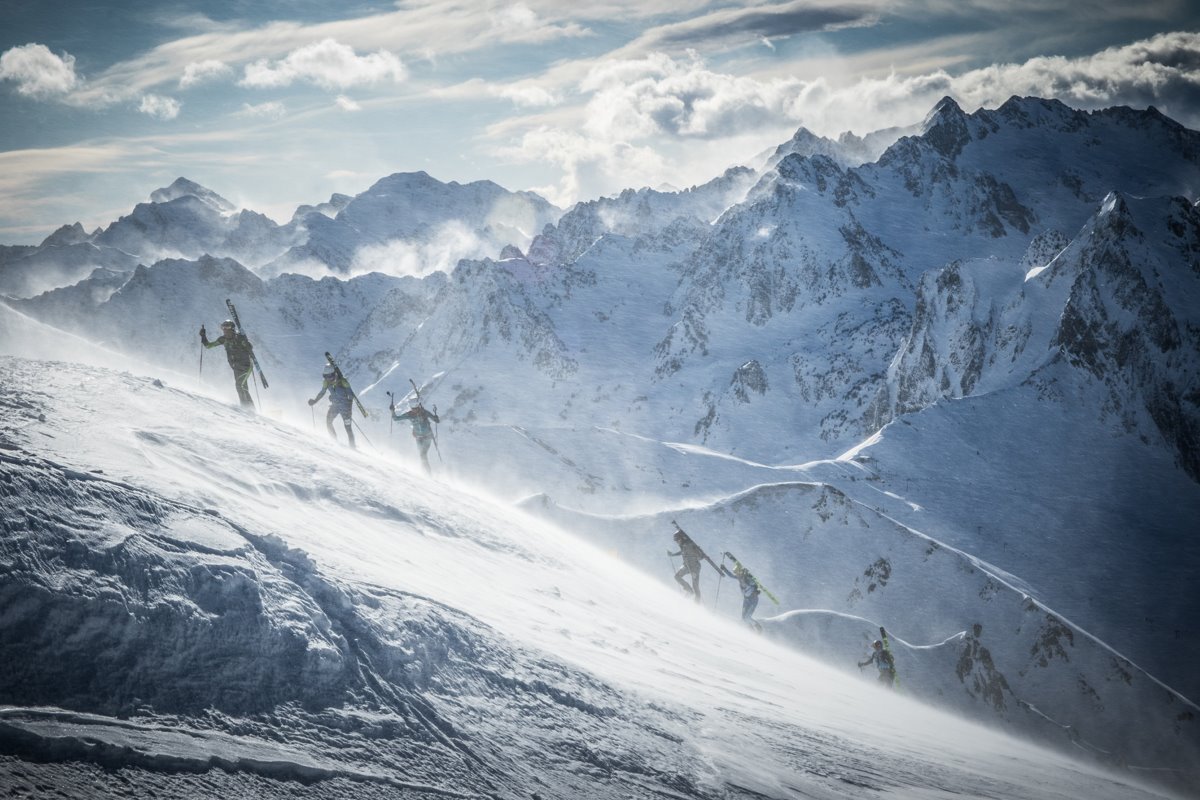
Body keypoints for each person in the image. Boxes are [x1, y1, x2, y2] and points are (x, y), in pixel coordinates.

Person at [200, 320, 255, 410]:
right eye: (223, 328)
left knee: (239, 385)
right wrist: (203, 336)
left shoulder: (239, 338)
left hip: (246, 366)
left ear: (232, 329)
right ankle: (252, 409)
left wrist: (246, 341)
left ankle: (245, 408)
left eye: (227, 328)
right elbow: (208, 346)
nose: (225, 330)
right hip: (236, 367)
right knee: (243, 387)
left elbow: (250, 347)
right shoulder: (223, 339)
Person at [308, 364, 355, 449]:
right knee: (328, 422)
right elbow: (322, 392)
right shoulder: (326, 382)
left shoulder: (343, 382)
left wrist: (348, 407)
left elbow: (351, 396)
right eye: (326, 376)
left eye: (330, 376)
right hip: (335, 406)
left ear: (334, 374)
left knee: (348, 427)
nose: (329, 379)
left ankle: (352, 447)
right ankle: (335, 442)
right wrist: (315, 401)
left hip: (345, 407)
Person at [391, 398, 439, 474]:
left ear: (418, 407)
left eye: (416, 408)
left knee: (423, 454)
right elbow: (396, 418)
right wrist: (392, 411)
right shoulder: (410, 414)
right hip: (418, 438)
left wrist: (436, 418)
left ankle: (428, 474)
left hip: (427, 438)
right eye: (413, 409)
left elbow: (436, 420)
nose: (414, 410)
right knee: (421, 455)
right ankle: (424, 471)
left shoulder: (424, 413)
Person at [668, 524, 709, 602]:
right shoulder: (683, 545)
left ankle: (696, 602)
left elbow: (700, 556)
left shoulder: (690, 545)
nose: (677, 542)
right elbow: (683, 552)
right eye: (676, 541)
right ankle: (689, 590)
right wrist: (673, 555)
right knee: (677, 577)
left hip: (695, 568)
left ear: (681, 538)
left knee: (695, 586)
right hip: (686, 565)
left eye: (678, 540)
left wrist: (700, 555)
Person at [721, 555, 762, 631]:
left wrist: (756, 590)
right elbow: (731, 575)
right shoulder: (739, 578)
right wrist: (724, 569)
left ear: (740, 572)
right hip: (746, 599)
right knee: (743, 618)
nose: (736, 575)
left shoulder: (748, 579)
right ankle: (751, 630)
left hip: (753, 600)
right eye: (736, 573)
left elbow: (756, 585)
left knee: (747, 617)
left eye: (737, 573)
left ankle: (758, 627)